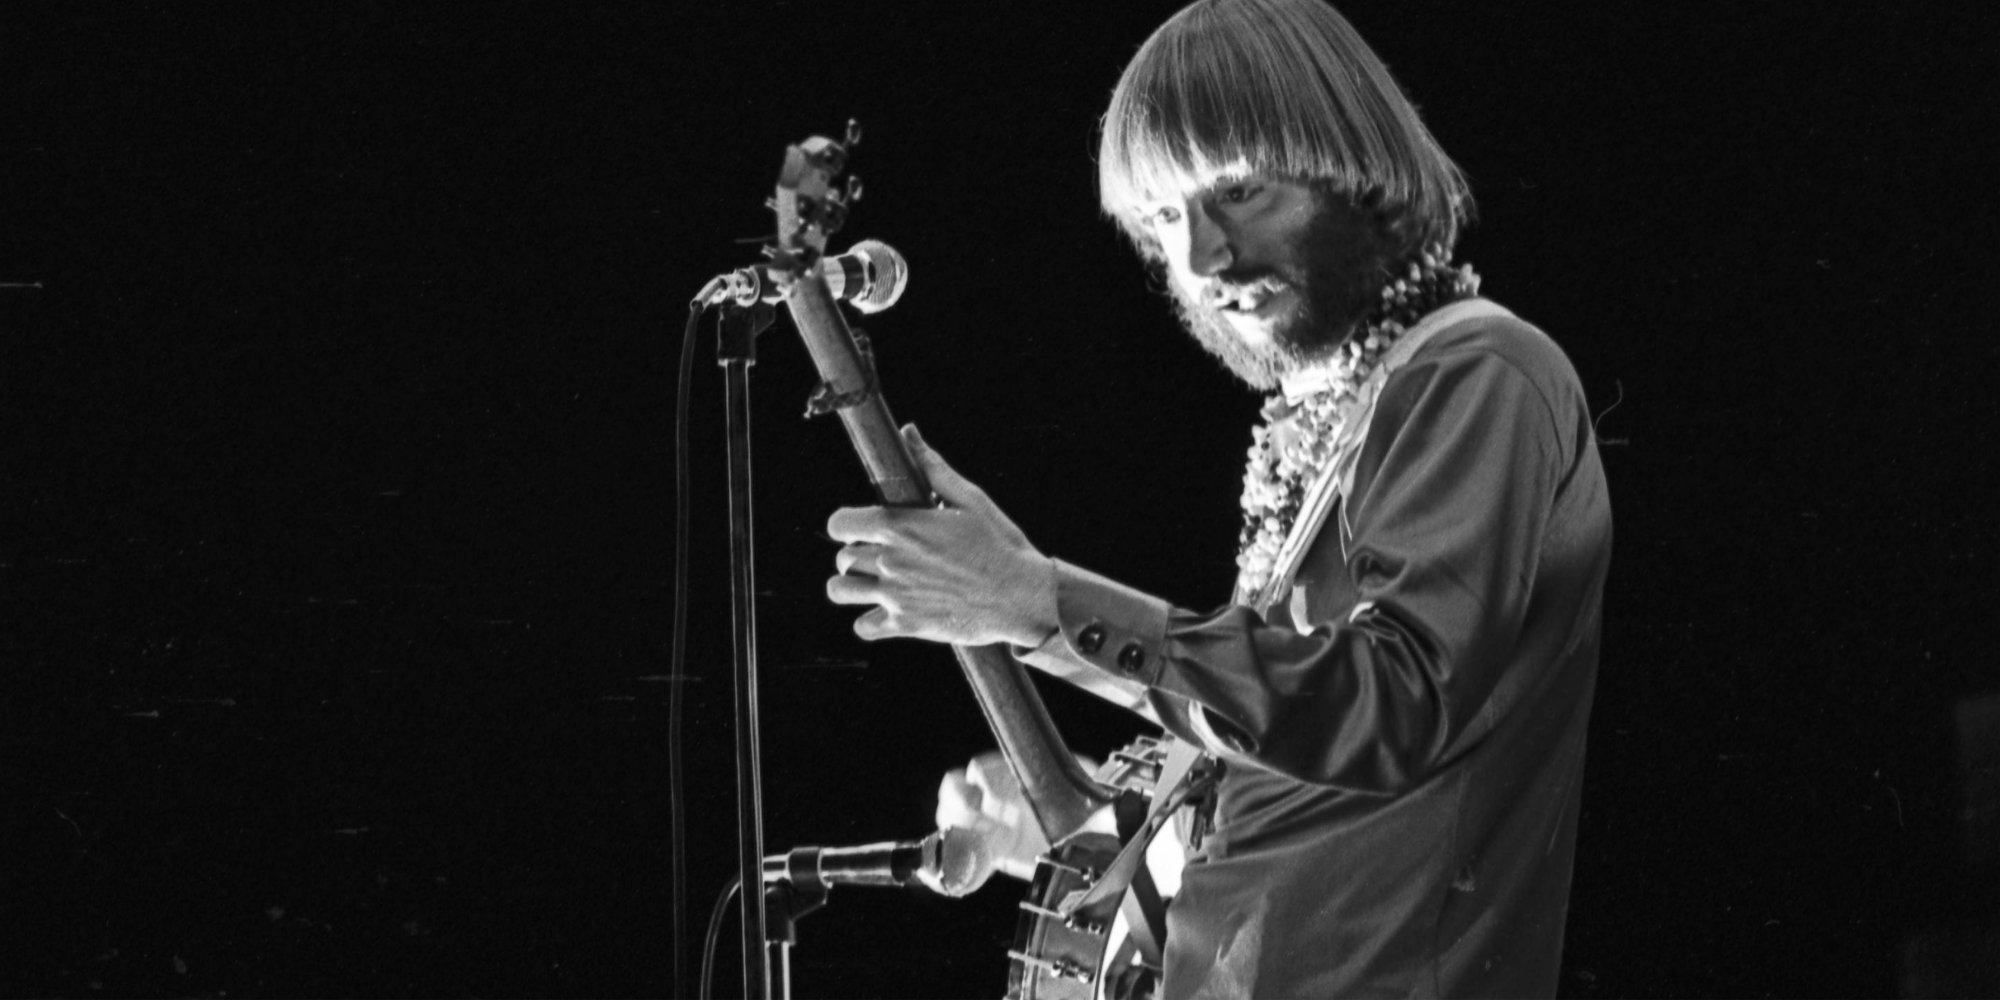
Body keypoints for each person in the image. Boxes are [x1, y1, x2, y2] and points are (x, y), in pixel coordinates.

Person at [824, 0, 1613, 995]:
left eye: (1237, 192)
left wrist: (1038, 599)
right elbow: (1289, 754)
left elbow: (1392, 704)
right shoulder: (1336, 413)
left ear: (1355, 167)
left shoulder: (1481, 372)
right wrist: (1096, 823)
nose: (1200, 261)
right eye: (1164, 218)